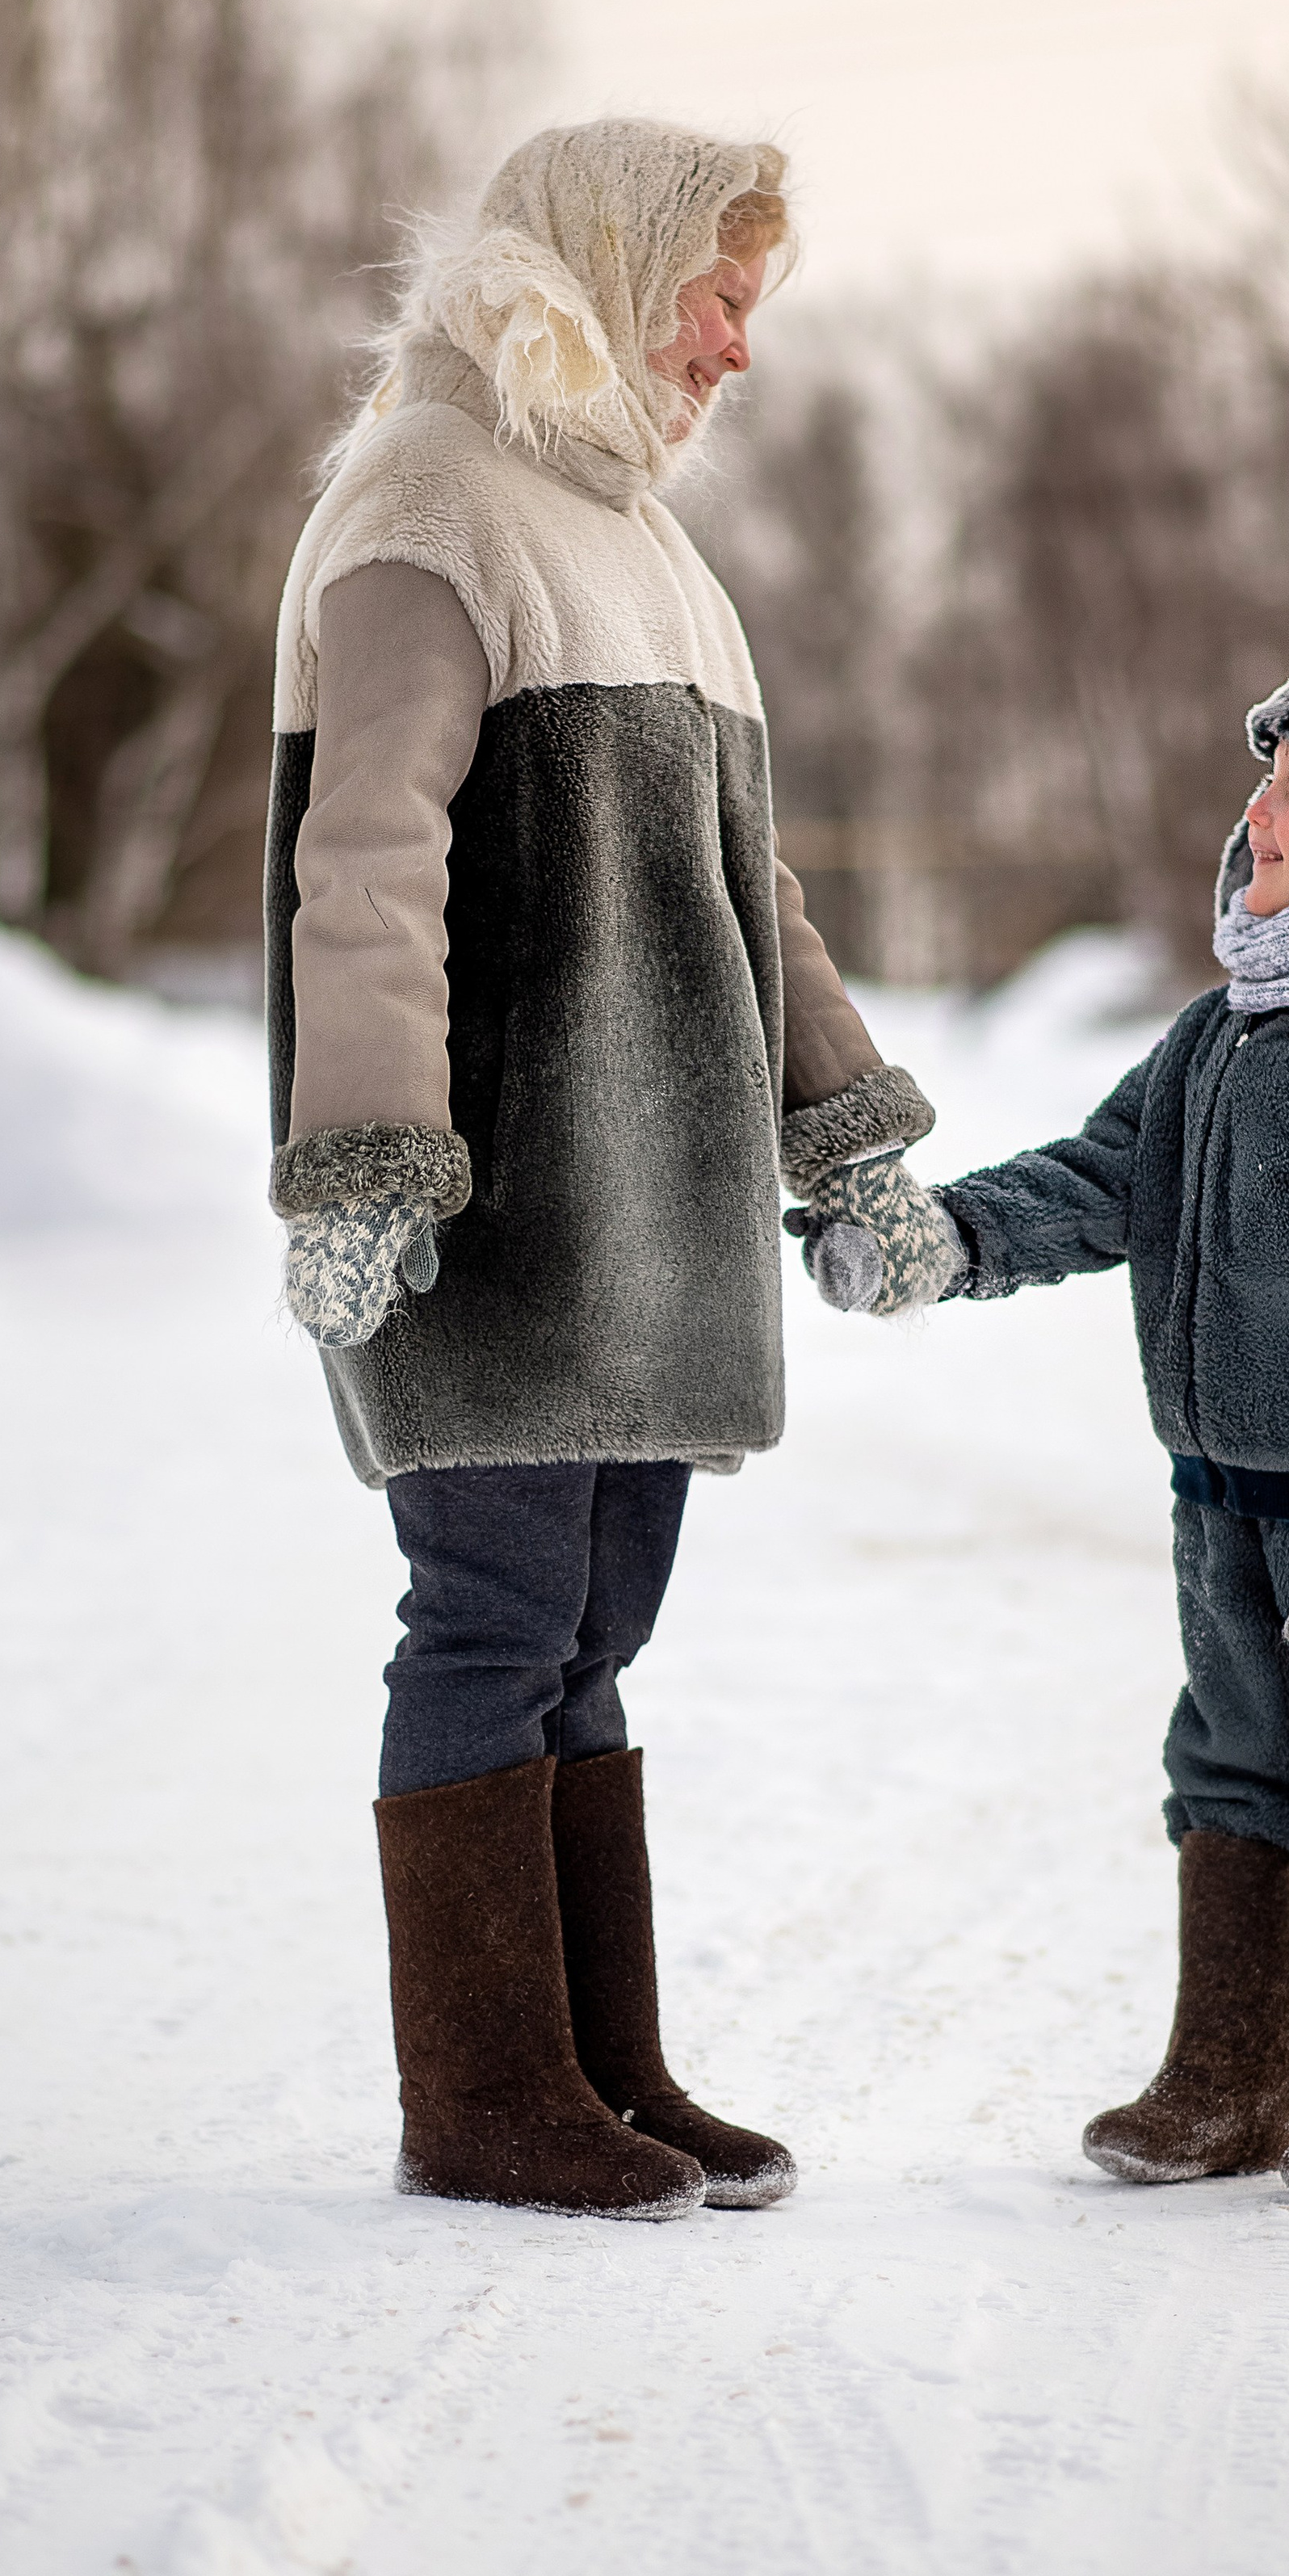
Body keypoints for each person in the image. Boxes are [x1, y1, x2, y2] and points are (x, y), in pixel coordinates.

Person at [266, 120, 950, 2222]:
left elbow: (753, 889)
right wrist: (367, 1156)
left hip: (654, 1212)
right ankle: (481, 2098)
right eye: (722, 292)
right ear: (614, 263)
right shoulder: (425, 502)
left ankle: (596, 2066)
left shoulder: (645, 545)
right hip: (494, 1204)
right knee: (492, 1609)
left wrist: (847, 1135)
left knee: (599, 1622)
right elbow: (366, 852)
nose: (742, 344)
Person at [793, 641, 1289, 2208]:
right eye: (1263, 782)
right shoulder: (1217, 1041)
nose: (1254, 812)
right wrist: (940, 1242)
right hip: (1222, 1507)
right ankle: (1225, 2085)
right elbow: (1091, 1178)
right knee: (1231, 1771)